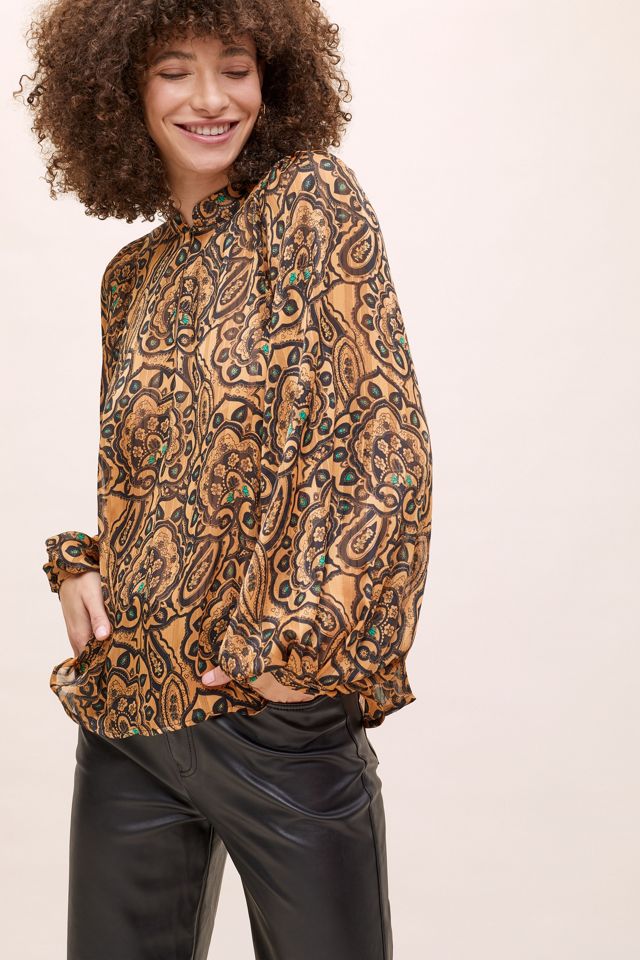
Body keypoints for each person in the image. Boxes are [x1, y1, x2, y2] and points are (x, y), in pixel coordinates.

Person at [19, 1, 433, 957]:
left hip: (273, 716)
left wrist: (296, 650)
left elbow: (384, 446)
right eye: (175, 70)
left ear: (273, 78)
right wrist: (84, 564)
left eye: (235, 67)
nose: (210, 98)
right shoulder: (130, 278)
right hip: (131, 717)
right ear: (120, 89)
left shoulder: (309, 199)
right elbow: (158, 484)